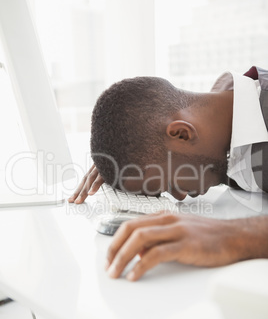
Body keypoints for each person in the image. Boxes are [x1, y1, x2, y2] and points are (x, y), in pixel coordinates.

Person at [69, 67, 268, 281]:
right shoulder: (226, 112)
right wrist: (120, 158)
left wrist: (232, 237)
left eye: (170, 184)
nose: (181, 195)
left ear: (182, 134)